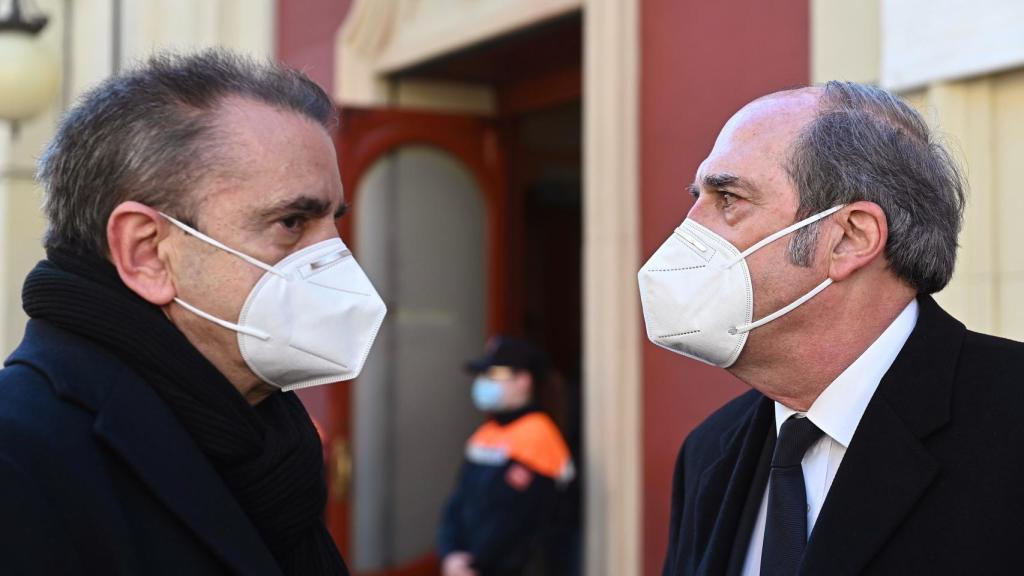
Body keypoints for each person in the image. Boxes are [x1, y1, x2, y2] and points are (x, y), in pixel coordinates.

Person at [0, 50, 387, 576]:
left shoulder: (268, 449)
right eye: (293, 222)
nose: (337, 263)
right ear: (147, 252)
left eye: (333, 224)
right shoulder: (19, 456)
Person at [638, 81, 1024, 575]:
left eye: (728, 198)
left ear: (850, 238)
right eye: (698, 198)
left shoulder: (1009, 418)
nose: (688, 229)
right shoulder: (710, 451)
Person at [439, 336, 575, 576]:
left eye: (495, 374)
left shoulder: (539, 435)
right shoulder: (486, 433)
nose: (484, 381)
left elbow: (515, 521)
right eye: (484, 374)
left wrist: (473, 565)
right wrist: (450, 553)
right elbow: (457, 502)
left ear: (523, 381)